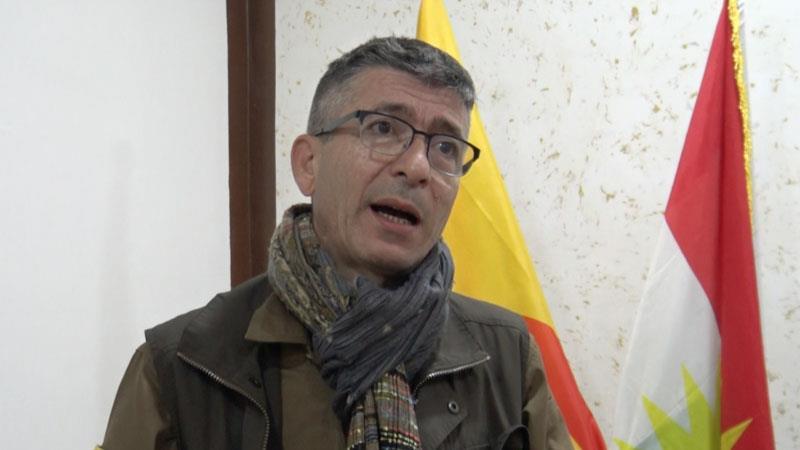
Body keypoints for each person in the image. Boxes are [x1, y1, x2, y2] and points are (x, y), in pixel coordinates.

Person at [100, 36, 571, 450]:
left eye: (446, 147)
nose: (418, 167)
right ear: (309, 164)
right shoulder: (184, 365)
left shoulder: (507, 357)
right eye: (383, 128)